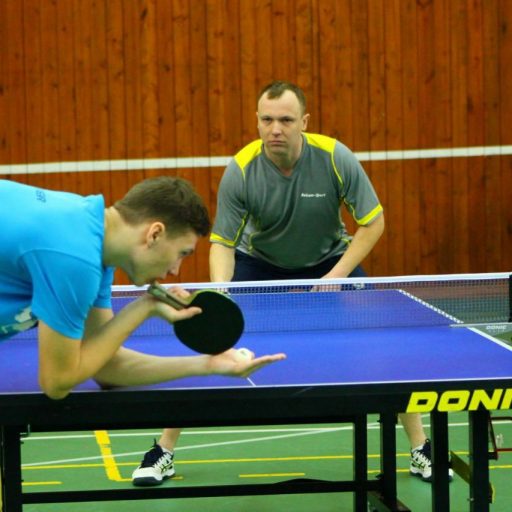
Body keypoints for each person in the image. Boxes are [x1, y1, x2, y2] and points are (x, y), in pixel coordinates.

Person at [132, 81, 451, 486]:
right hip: (260, 263)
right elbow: (223, 243)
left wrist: (336, 276)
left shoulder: (334, 158)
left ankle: (420, 447)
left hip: (330, 261)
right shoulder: (242, 169)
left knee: (379, 342)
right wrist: (222, 289)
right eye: (267, 120)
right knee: (213, 339)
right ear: (257, 121)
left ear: (304, 122)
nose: (275, 129)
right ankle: (163, 450)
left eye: (285, 120)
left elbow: (373, 222)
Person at [0, 176, 286, 401]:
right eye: (182, 253)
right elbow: (57, 381)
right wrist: (141, 309)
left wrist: (209, 365)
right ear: (155, 234)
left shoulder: (94, 243)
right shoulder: (76, 259)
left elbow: (106, 367)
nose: (175, 270)